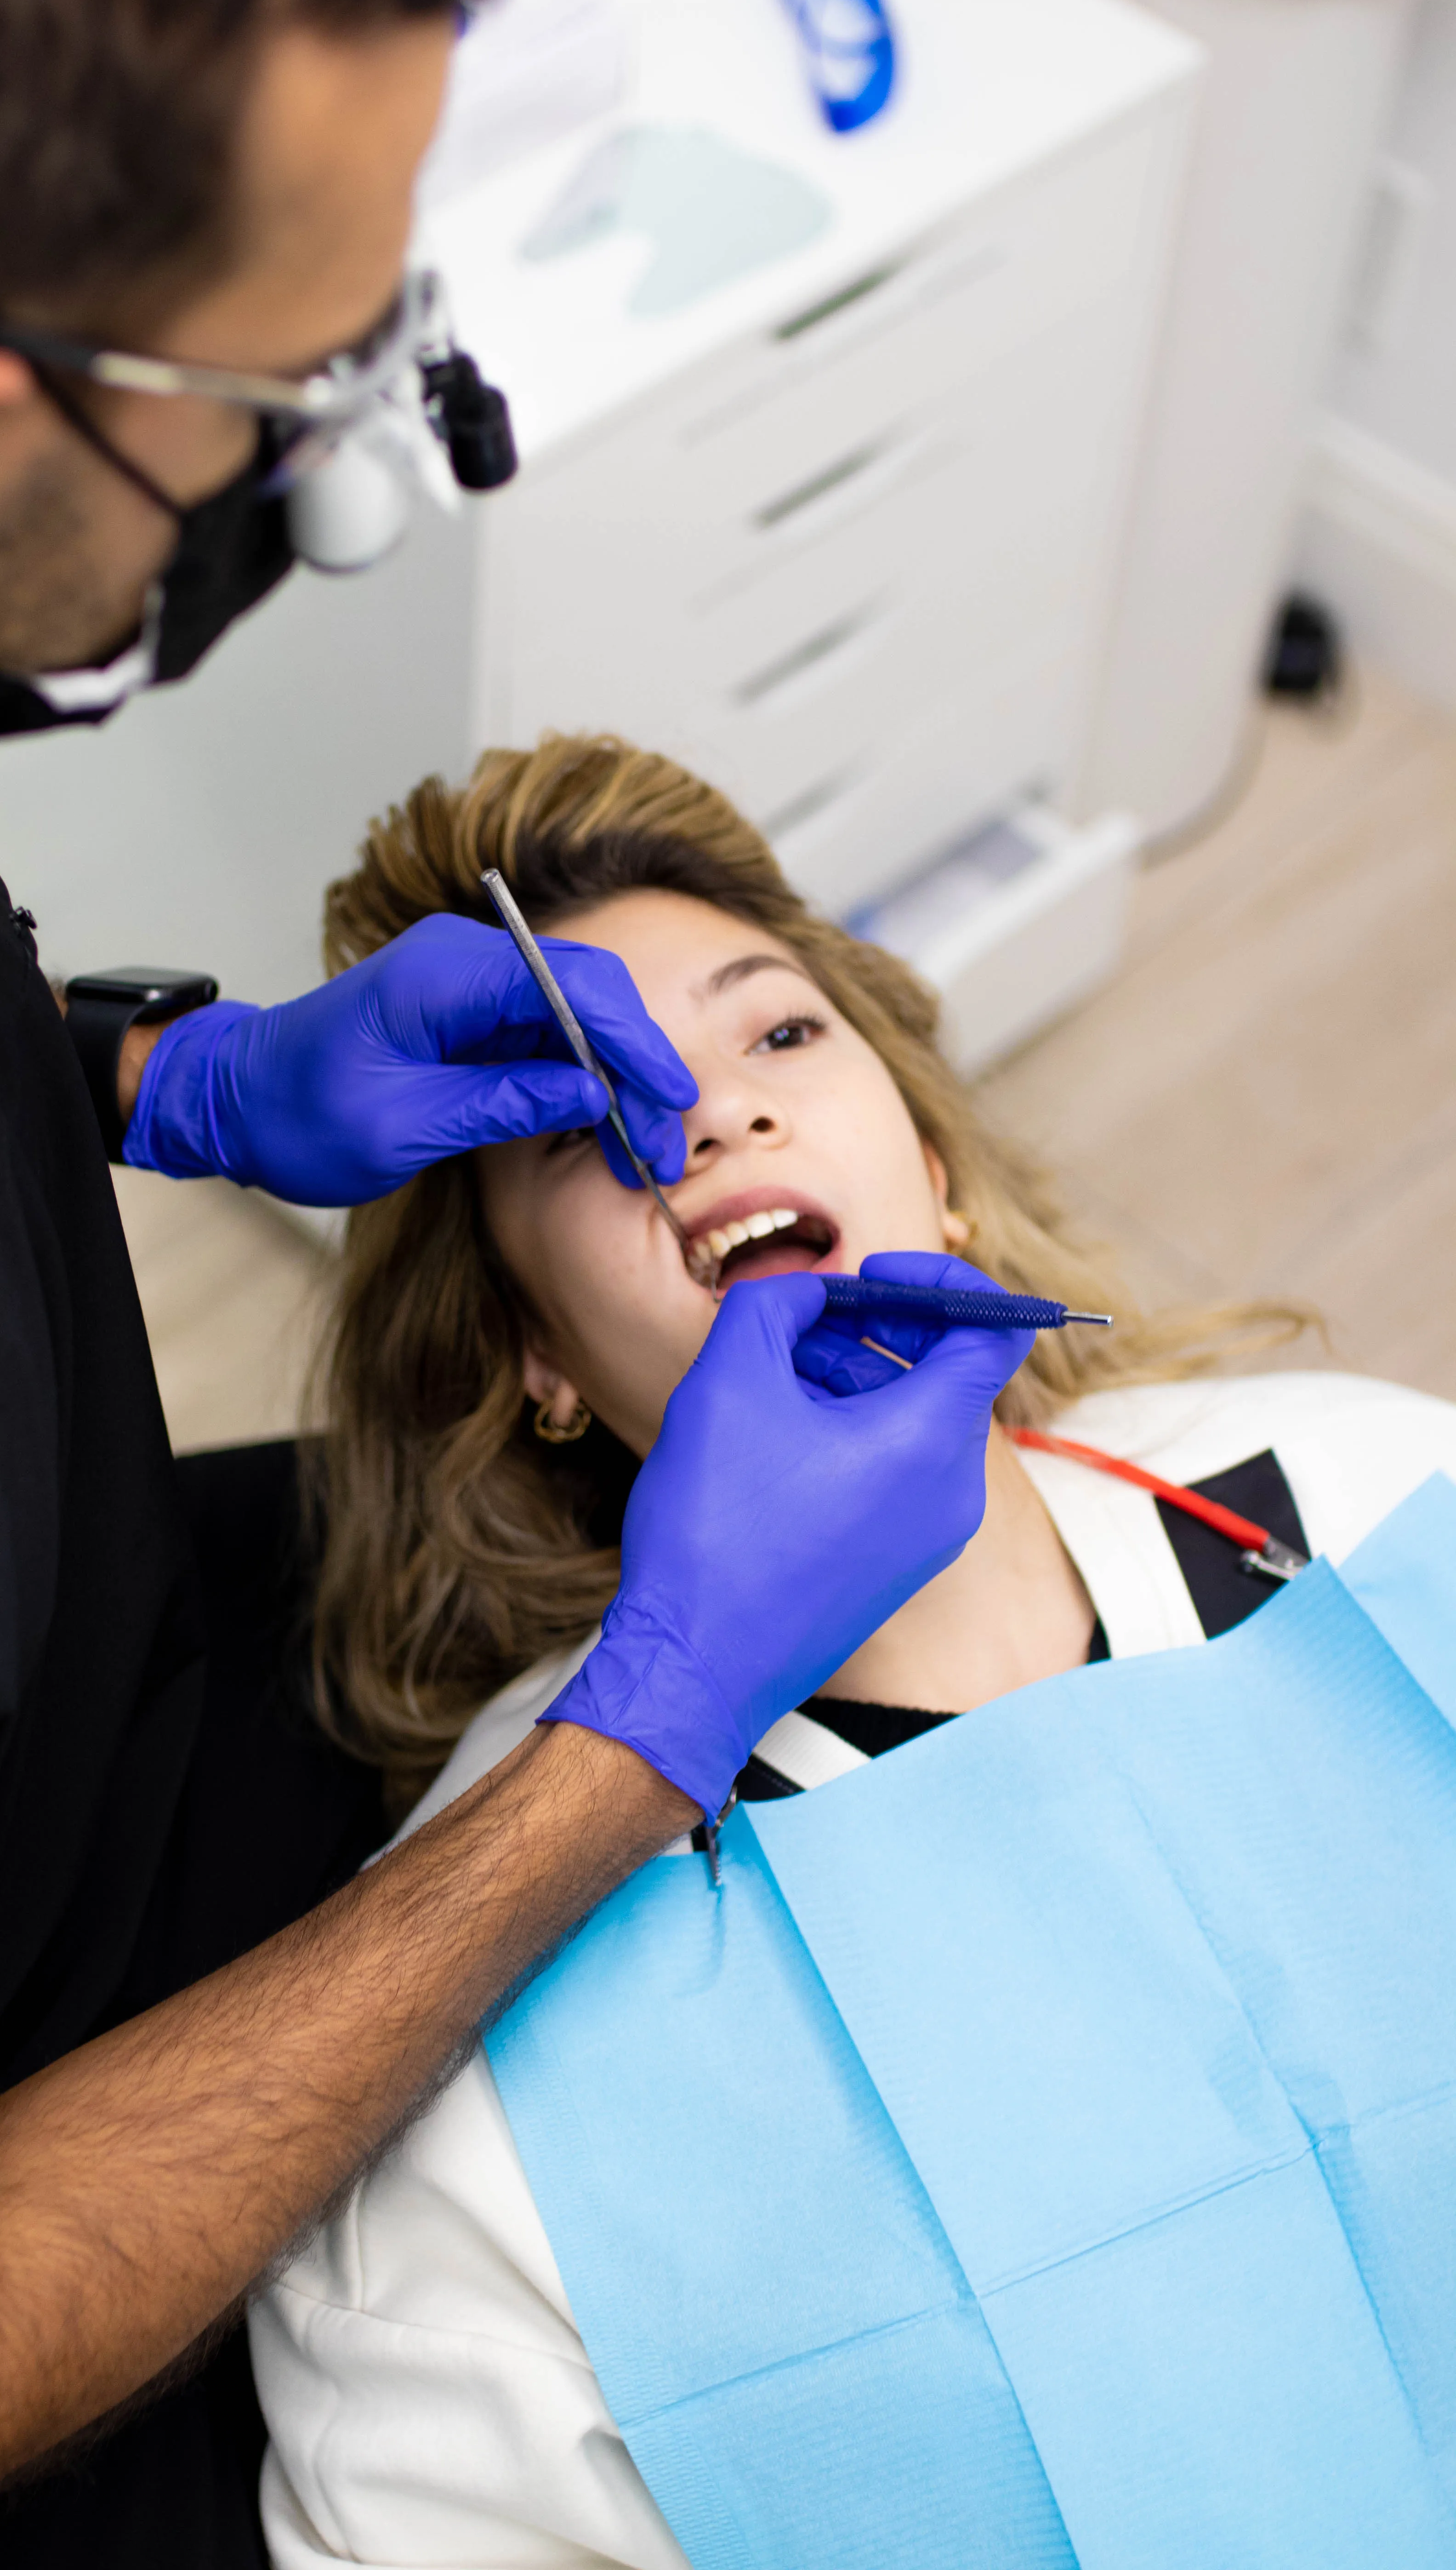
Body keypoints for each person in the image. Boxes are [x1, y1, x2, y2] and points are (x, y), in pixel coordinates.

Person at [0, 0, 1038, 2562]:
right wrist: (644, 1729)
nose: (344, 469)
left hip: (75, 1696)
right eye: (283, 399)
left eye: (788, 1026)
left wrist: (174, 1080)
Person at [250, 733, 1456, 2570]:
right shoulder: (471, 2078)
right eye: (588, 1115)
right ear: (534, 1361)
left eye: (778, 1034)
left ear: (935, 1169)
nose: (712, 1111)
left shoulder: (1384, 1496)